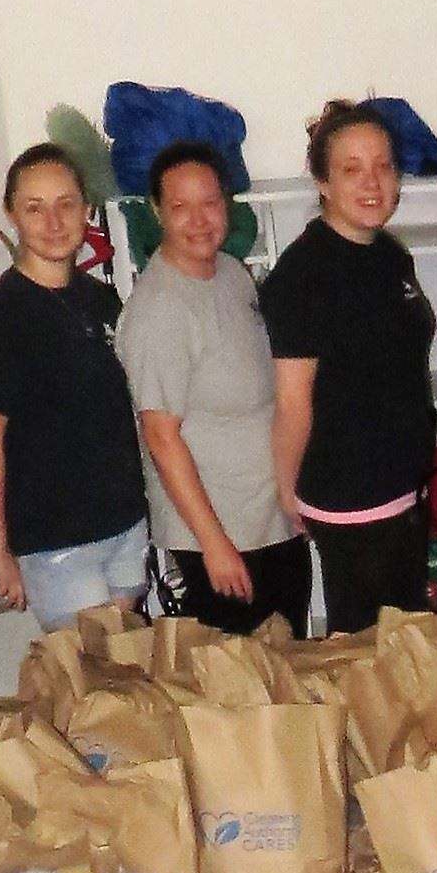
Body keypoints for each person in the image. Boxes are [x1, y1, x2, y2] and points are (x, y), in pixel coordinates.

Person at [117, 141, 314, 637]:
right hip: (218, 541)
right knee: (235, 694)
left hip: (269, 519)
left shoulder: (232, 274)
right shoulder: (159, 308)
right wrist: (215, 546)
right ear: (158, 213)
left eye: (210, 202)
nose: (199, 220)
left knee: (290, 670)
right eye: (180, 207)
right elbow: (161, 438)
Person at [265, 102, 437, 635]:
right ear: (322, 181)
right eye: (351, 168)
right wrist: (287, 492)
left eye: (383, 166)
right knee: (367, 661)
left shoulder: (389, 253)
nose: (371, 182)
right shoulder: (303, 275)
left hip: (403, 491)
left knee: (408, 650)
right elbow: (294, 403)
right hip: (351, 501)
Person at [0, 144, 152, 632]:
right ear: (11, 215)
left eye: (65, 203)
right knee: (92, 689)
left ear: (87, 209)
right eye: (34, 207)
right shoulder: (3, 319)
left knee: (129, 684)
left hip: (124, 525)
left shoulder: (100, 299)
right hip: (57, 542)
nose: (53, 220)